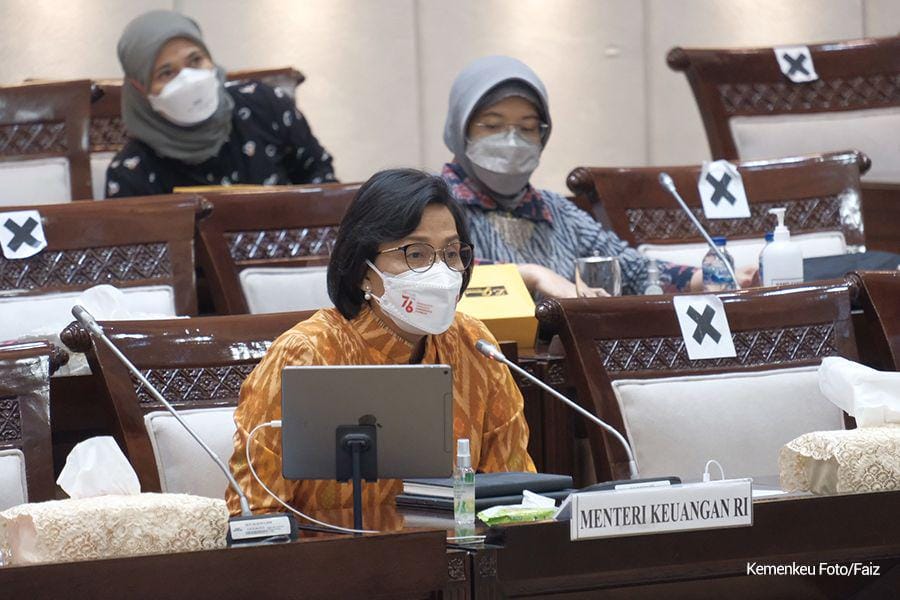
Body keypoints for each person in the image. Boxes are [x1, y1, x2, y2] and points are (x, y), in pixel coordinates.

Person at [226, 168, 535, 516]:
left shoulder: (473, 343)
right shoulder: (306, 354)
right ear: (362, 270)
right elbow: (254, 512)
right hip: (331, 560)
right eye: (416, 254)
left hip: (450, 559)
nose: (442, 273)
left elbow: (515, 497)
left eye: (451, 253)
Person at [441, 55, 755, 296]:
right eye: (493, 126)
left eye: (526, 128)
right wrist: (532, 275)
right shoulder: (434, 206)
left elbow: (629, 269)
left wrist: (707, 278)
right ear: (460, 128)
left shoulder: (554, 210)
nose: (511, 141)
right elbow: (438, 276)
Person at [106, 10, 335, 198]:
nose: (188, 79)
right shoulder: (131, 173)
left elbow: (322, 178)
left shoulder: (265, 107)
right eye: (166, 73)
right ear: (139, 88)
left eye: (195, 60)